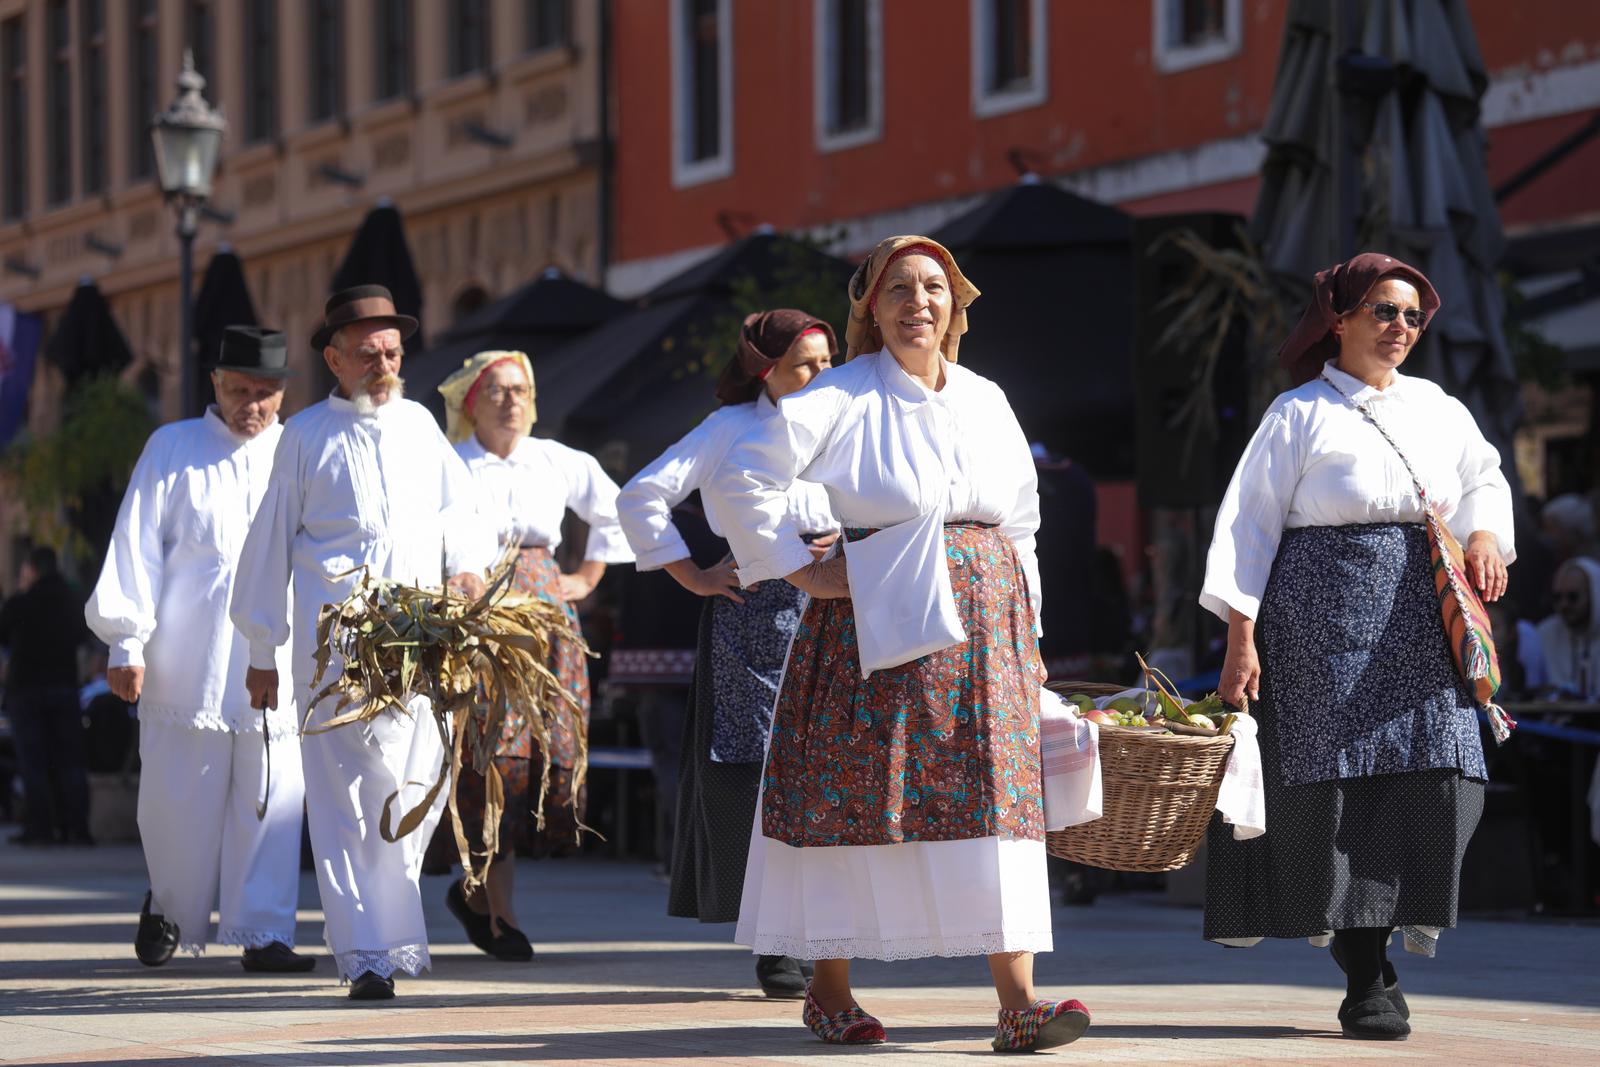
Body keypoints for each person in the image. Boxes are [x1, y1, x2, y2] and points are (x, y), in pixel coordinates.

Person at [712, 237, 1090, 1053]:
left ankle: (1019, 1002)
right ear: (871, 310)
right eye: (899, 289)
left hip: (987, 636)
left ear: (956, 304)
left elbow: (1021, 522)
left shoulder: (988, 398)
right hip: (873, 629)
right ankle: (829, 990)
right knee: (855, 797)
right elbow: (742, 474)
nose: (919, 301)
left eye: (934, 287)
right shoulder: (840, 396)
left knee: (998, 803)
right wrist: (799, 574)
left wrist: (1029, 633)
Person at [1201, 253, 1515, 1041]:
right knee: (1331, 796)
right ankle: (1365, 970)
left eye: (1412, 314)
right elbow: (1248, 525)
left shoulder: (1439, 407)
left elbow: (1486, 478)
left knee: (1444, 780)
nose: (1400, 327)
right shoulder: (1297, 412)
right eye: (1383, 310)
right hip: (1319, 616)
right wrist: (1241, 635)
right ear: (1337, 320)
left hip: (1421, 612)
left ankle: (1375, 942)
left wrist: (1482, 532)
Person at [230, 286, 497, 1002]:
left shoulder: (418, 426)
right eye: (369, 353)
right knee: (345, 799)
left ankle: (390, 924)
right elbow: (267, 550)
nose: (384, 364)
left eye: (393, 352)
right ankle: (364, 953)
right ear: (334, 358)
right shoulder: (303, 437)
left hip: (421, 642)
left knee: (416, 787)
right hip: (335, 650)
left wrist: (468, 565)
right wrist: (262, 652)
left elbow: (459, 509)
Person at [617, 309, 839, 1000]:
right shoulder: (728, 429)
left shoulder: (846, 427)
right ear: (765, 370)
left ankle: (829, 936)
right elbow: (642, 493)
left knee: (831, 769)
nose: (821, 376)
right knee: (758, 774)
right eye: (806, 365)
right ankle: (778, 943)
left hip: (839, 613)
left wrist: (849, 540)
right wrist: (694, 573)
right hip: (757, 618)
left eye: (828, 363)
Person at [85, 326, 313, 972]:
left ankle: (264, 932)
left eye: (266, 393)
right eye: (241, 390)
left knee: (271, 795)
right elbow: (136, 546)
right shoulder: (172, 447)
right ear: (215, 384)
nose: (253, 405)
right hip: (187, 663)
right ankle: (169, 903)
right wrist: (126, 640)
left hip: (276, 663)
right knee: (176, 800)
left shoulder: (298, 451)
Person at [433, 350, 635, 961]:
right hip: (474, 610)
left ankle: (487, 902)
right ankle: (486, 901)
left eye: (520, 389)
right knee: (485, 749)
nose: (511, 401)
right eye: (496, 391)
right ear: (471, 401)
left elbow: (618, 507)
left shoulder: (554, 459)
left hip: (544, 610)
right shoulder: (450, 464)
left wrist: (588, 575)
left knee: (535, 753)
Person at [0, 546, 92, 846]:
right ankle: (75, 827)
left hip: (26, 690)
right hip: (64, 687)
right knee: (70, 761)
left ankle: (40, 828)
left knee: (33, 762)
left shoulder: (23, 601)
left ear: (32, 569)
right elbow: (83, 636)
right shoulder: (72, 601)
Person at [1532, 558, 1600, 700]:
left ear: (1594, 595)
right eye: (1558, 597)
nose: (1564, 604)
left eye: (1573, 597)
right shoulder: (1545, 633)